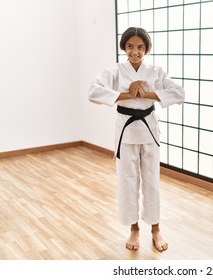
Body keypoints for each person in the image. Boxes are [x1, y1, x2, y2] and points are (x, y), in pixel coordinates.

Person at [89, 27, 185, 251]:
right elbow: (93, 92)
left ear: (146, 49)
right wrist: (126, 95)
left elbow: (180, 93)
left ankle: (155, 228)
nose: (135, 52)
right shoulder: (115, 71)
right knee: (127, 179)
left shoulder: (156, 71)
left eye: (140, 47)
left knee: (151, 180)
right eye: (130, 46)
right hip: (126, 130)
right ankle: (133, 228)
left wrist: (147, 94)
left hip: (149, 129)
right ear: (124, 47)